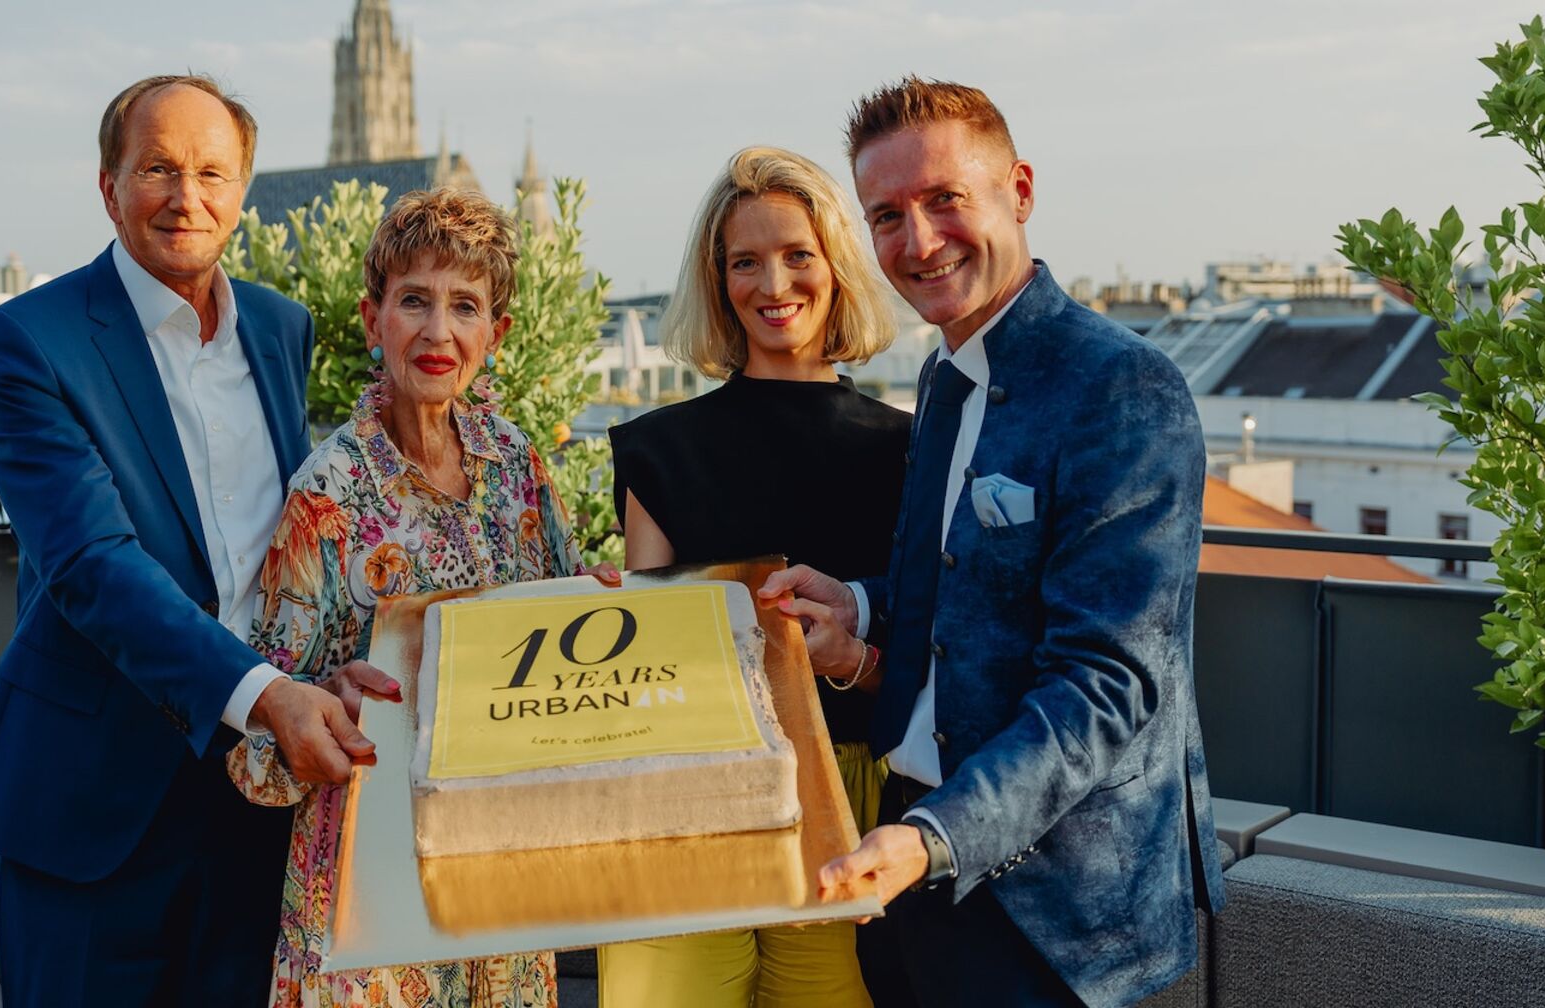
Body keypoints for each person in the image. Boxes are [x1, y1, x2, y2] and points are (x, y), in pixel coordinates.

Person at [768, 77, 1226, 1007]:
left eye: (945, 200)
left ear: (1019, 190)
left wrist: (935, 835)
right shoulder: (943, 377)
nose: (919, 240)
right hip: (914, 880)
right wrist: (856, 606)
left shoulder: (1124, 388)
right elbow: (953, 592)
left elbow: (1107, 682)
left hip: (1056, 919)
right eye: (887, 214)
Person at [0, 75, 385, 1005]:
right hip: (94, 808)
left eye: (213, 173)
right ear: (109, 186)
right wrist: (268, 697)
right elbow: (91, 566)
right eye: (159, 169)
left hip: (256, 799)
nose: (189, 197)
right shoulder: (22, 343)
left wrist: (335, 663)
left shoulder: (278, 327)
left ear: (243, 193)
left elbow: (291, 542)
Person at [228, 187, 612, 1008]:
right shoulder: (324, 493)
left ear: (494, 335)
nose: (439, 331)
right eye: (415, 301)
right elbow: (260, 747)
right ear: (373, 323)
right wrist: (325, 698)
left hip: (505, 882)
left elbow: (568, 656)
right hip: (368, 898)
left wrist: (606, 612)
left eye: (465, 305)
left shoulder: (518, 467)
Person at [599, 146, 908, 1008]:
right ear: (718, 279)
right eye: (745, 260)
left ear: (835, 266)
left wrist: (853, 660)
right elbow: (645, 656)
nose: (774, 282)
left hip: (849, 792)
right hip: (684, 789)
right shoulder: (657, 450)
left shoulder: (907, 449)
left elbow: (921, 647)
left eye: (797, 254)